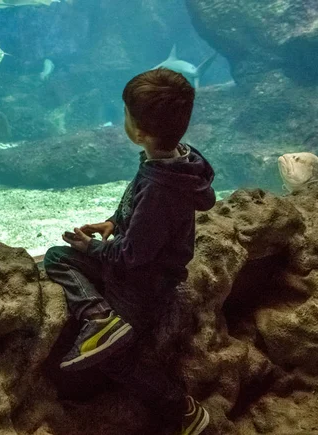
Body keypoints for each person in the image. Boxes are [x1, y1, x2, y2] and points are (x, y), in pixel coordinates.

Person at [44, 68, 215, 435]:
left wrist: (91, 247)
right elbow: (145, 223)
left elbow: (134, 254)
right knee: (58, 256)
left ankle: (180, 407)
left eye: (126, 113)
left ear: (139, 131)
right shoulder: (178, 163)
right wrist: (112, 223)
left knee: (114, 362)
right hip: (146, 269)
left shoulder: (159, 186)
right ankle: (99, 317)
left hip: (141, 284)